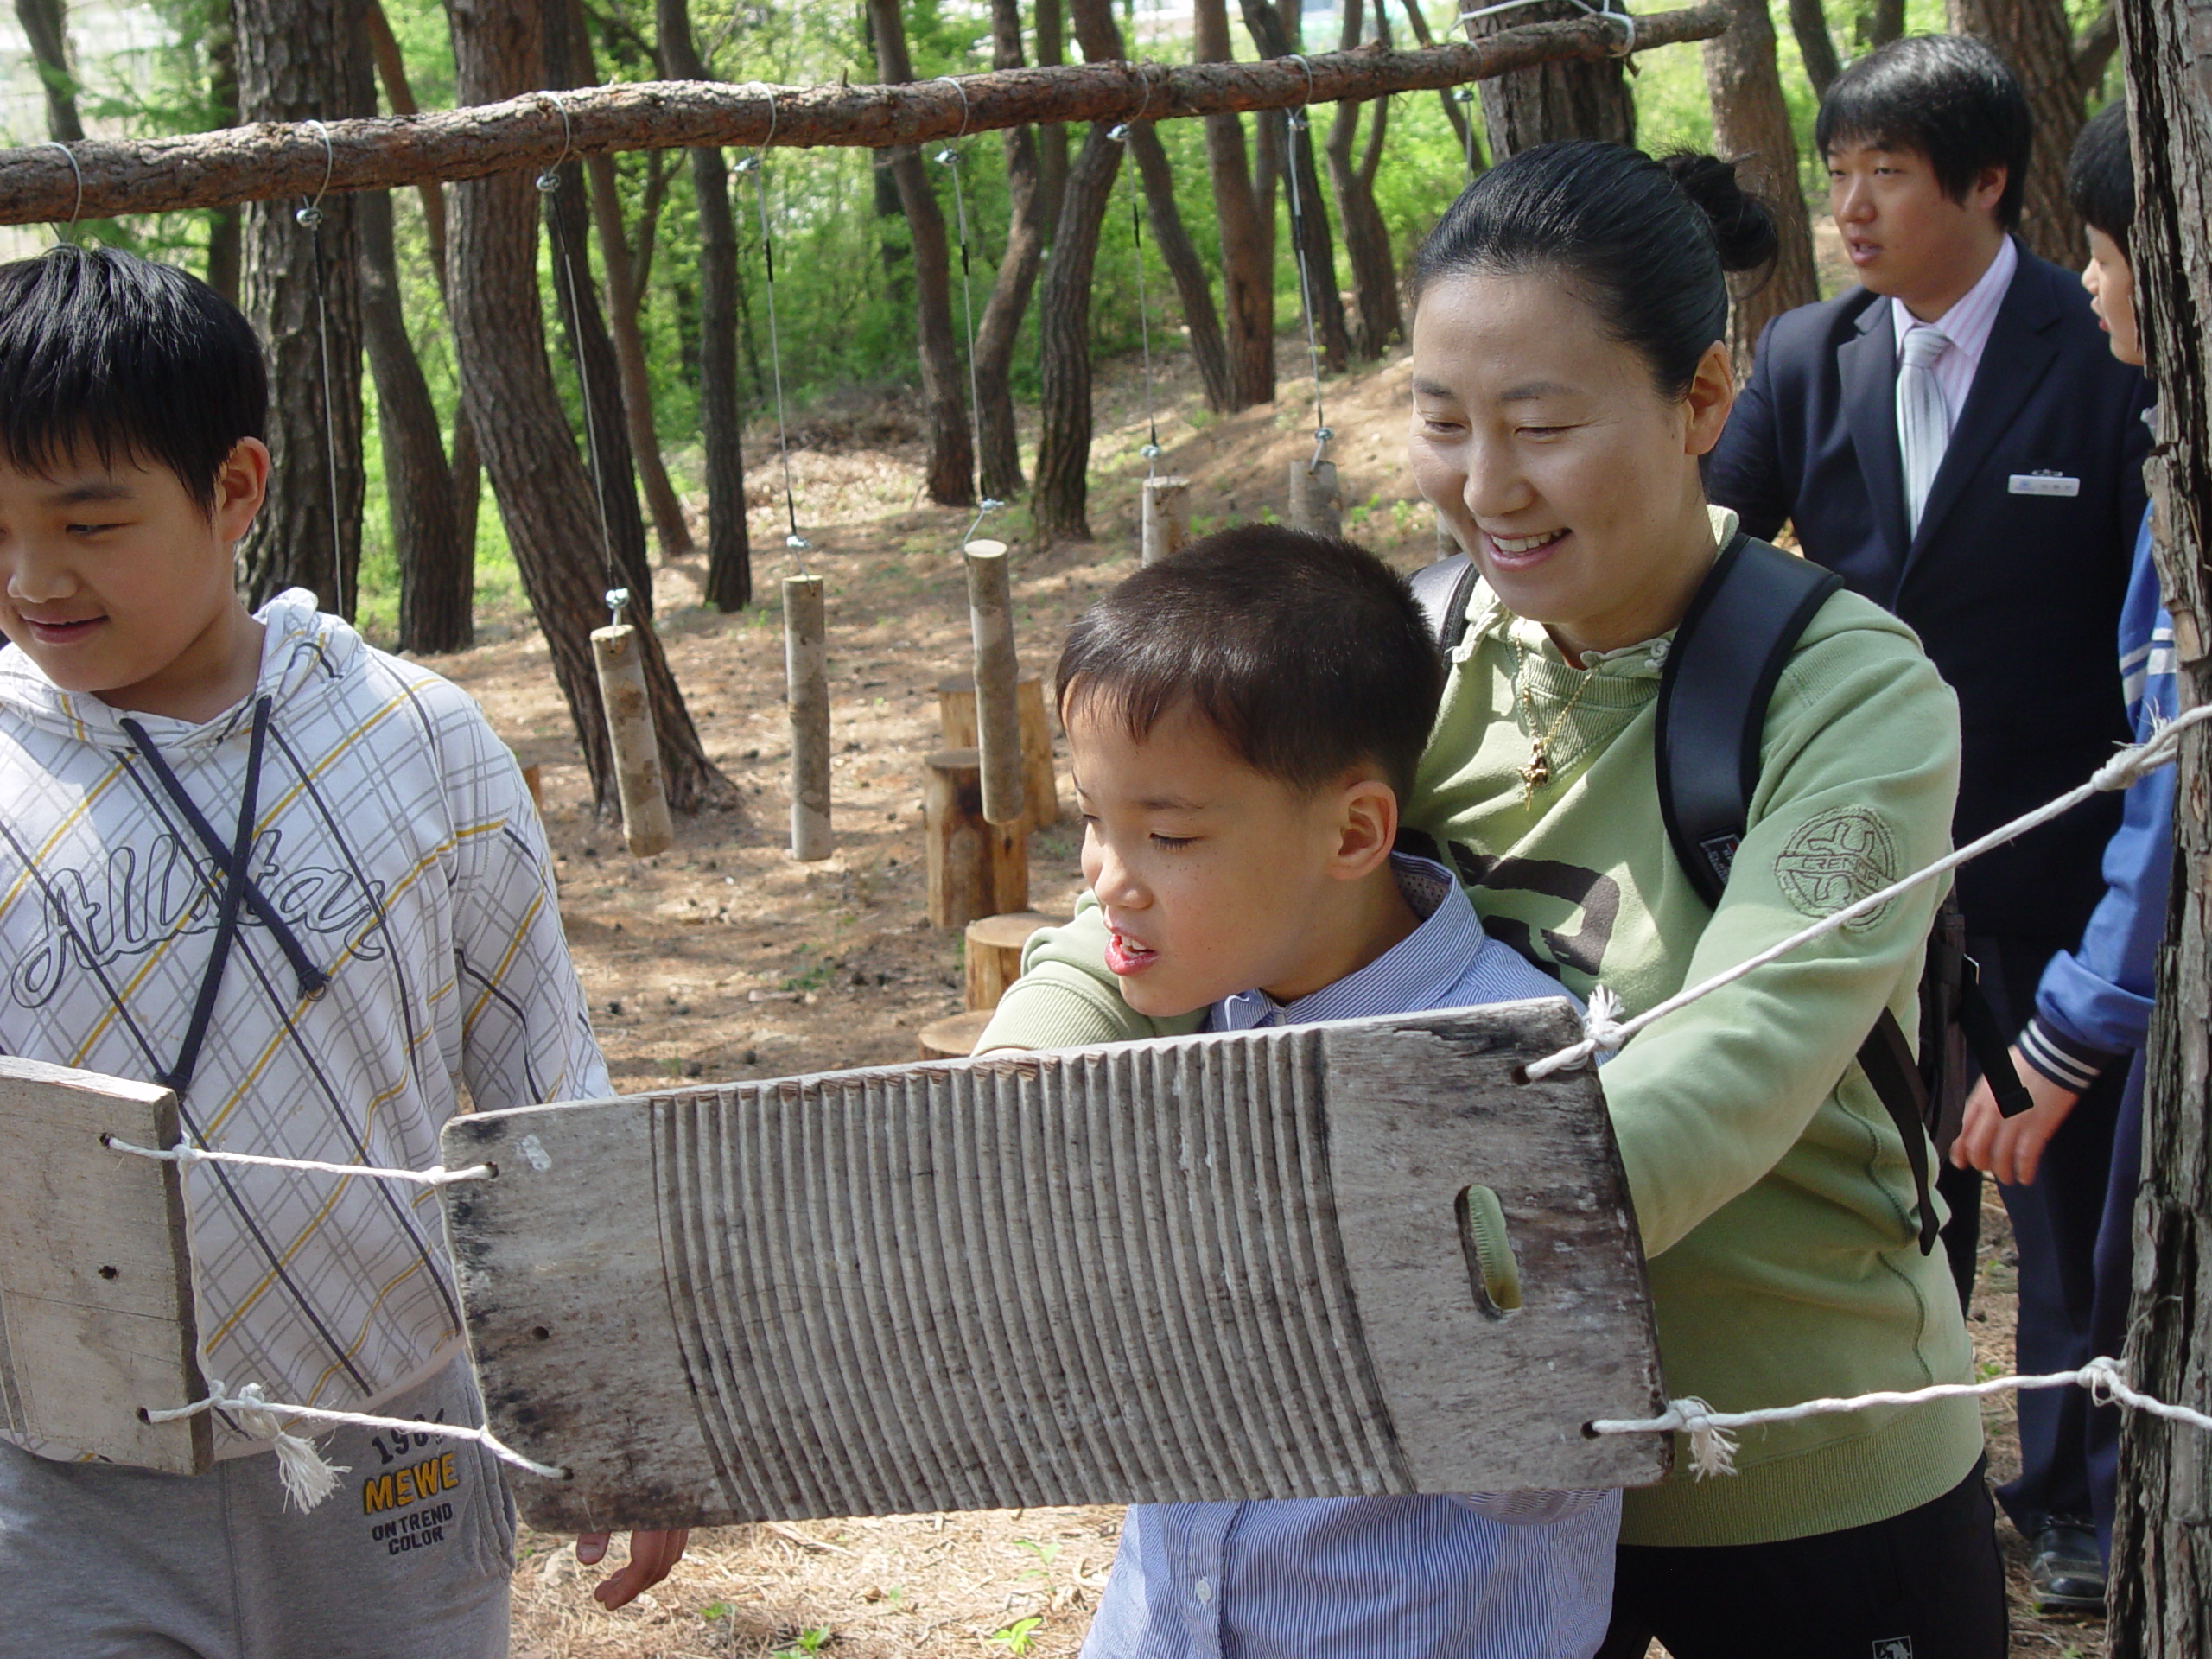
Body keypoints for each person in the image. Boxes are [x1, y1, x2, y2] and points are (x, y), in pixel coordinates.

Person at [983, 141, 2008, 1658]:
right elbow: (1153, 901)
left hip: (1789, 1470)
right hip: (1485, 1493)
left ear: (1703, 402)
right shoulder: (1428, 638)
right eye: (1443, 422)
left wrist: (1334, 1260)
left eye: (1540, 425)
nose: (1485, 486)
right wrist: (1008, 1115)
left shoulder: (1850, 701)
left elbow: (1731, 1068)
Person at [0, 245, 683, 1657]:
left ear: (235, 487)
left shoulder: (416, 746)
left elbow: (543, 1088)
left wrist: (627, 1397)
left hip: (395, 1469)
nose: (31, 579)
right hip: (57, 1504)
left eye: (89, 522)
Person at [1702, 35, 2152, 1611]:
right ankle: (1920, 1482)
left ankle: (2084, 1495)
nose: (1851, 210)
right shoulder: (1813, 354)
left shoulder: (2098, 346)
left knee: (2077, 1207)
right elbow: (1711, 544)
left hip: (2057, 867)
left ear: (1984, 182)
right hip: (1869, 880)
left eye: (1886, 173)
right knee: (1898, 1191)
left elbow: (2141, 624)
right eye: (1837, 177)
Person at [1018, 522, 1618, 1659]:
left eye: (1169, 835)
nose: (1108, 881)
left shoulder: (1512, 1071)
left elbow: (1548, 1474)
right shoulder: (1215, 1010)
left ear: (1352, 833)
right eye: (1097, 823)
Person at [1948, 98, 2172, 1612]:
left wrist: (2076, 1024)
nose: (2092, 287)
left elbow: (2171, 799)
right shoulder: (1816, 357)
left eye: (2107, 258)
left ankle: (2094, 1494)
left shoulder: (2129, 430)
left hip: (2095, 949)